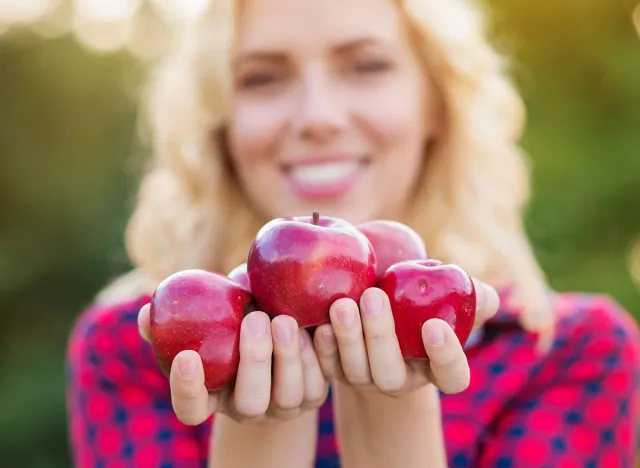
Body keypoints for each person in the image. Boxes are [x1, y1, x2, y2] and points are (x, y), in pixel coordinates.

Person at [66, 0, 640, 466]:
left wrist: (395, 412)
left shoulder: (573, 353)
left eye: (366, 66)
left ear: (437, 102)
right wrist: (258, 434)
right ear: (220, 122)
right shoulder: (139, 348)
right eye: (262, 77)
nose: (318, 116)